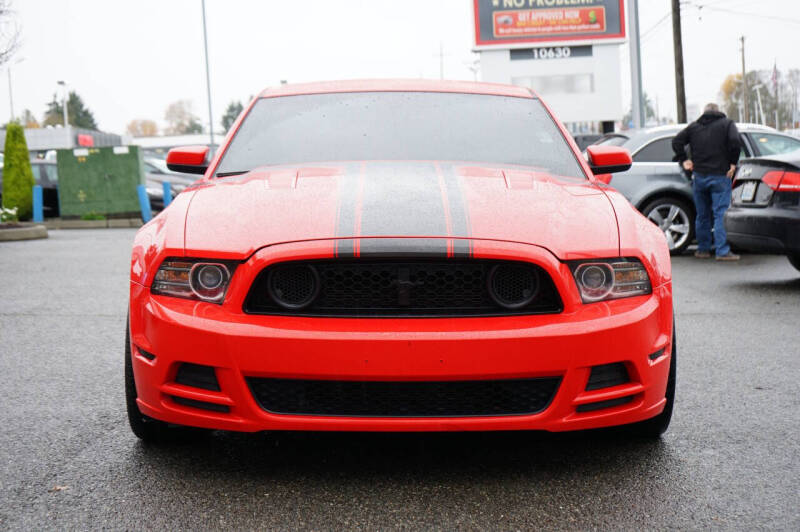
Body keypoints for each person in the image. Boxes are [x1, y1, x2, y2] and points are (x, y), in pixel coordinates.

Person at [672, 103, 741, 261]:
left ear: (704, 113)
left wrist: (684, 160)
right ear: (718, 111)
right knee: (720, 214)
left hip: (699, 176)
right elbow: (735, 142)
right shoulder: (727, 124)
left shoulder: (694, 127)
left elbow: (677, 141)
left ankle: (703, 250)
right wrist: (732, 163)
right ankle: (722, 251)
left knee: (702, 215)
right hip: (720, 175)